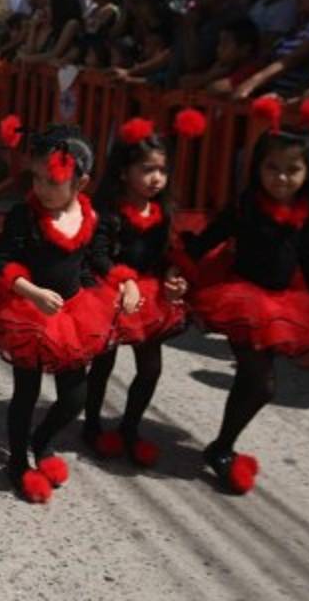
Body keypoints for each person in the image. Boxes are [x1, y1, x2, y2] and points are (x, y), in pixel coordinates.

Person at [0, 124, 123, 503]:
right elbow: (1, 259)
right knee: (26, 392)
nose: (41, 188)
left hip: (73, 315)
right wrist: (33, 292)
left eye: (52, 181)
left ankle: (42, 441)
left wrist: (123, 282)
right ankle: (18, 462)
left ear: (82, 183)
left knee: (74, 397)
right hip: (27, 310)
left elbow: (95, 259)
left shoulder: (92, 218)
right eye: (36, 178)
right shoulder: (25, 215)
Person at [179, 97, 309, 494]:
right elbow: (209, 238)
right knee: (262, 383)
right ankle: (222, 448)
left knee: (255, 382)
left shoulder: (308, 213)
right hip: (240, 299)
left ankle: (222, 445)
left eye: (293, 169)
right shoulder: (245, 205)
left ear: (308, 172)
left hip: (280, 305)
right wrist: (177, 268)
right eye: (272, 167)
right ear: (256, 168)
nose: (281, 178)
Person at [84, 112, 205, 466]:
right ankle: (91, 424)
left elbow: (164, 253)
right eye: (147, 169)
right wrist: (124, 281)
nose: (156, 179)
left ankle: (130, 428)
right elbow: (99, 254)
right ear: (124, 171)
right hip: (109, 294)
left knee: (150, 368)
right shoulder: (108, 211)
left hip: (148, 297)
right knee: (103, 364)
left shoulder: (162, 212)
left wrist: (171, 276)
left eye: (163, 171)